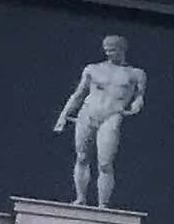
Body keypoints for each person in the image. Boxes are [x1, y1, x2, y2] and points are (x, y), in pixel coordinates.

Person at [49, 35, 148, 209]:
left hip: (112, 114)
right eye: (106, 50)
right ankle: (81, 198)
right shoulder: (93, 69)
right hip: (88, 113)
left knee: (105, 162)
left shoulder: (136, 74)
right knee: (82, 157)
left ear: (122, 50)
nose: (109, 53)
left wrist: (137, 104)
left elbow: (139, 96)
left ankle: (103, 204)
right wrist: (63, 116)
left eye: (113, 50)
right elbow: (78, 94)